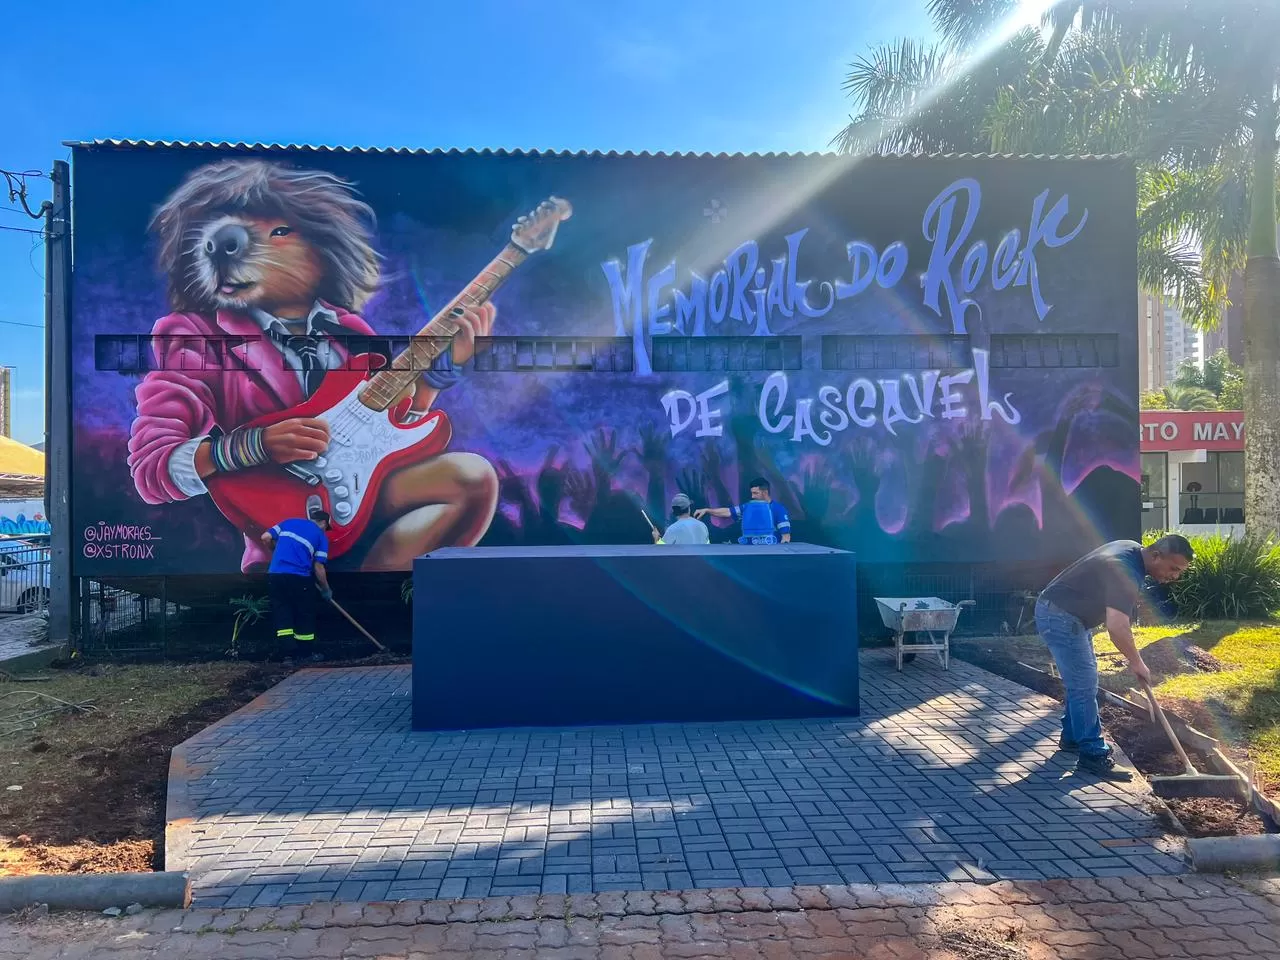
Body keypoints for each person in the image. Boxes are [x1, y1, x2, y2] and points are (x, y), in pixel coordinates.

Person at [1035, 534, 1193, 780]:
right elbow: (1117, 626)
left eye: (1180, 571)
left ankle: (1073, 737)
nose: (1175, 576)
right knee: (1084, 685)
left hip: (1064, 613)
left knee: (1082, 682)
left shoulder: (1132, 549)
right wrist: (1137, 662)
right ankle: (1093, 755)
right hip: (1061, 616)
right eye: (1173, 568)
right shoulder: (1126, 572)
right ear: (1155, 555)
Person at [261, 507, 334, 662]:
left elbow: (265, 537)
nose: (325, 531)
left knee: (282, 611)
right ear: (322, 523)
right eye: (326, 527)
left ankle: (288, 654)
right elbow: (318, 566)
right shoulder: (321, 537)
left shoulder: (289, 522)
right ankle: (305, 654)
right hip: (299, 577)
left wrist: (276, 552)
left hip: (276, 575)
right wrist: (326, 589)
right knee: (304, 613)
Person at [695, 477, 792, 544]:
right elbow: (728, 512)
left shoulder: (779, 510)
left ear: (765, 492)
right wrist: (707, 510)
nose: (752, 496)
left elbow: (786, 537)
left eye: (755, 493)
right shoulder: (747, 507)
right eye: (752, 493)